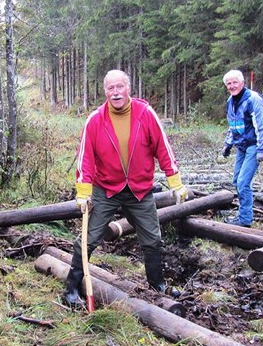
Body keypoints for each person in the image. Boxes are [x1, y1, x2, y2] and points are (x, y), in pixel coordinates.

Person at [63, 69, 188, 307]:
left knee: (152, 239)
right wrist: (83, 192)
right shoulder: (95, 120)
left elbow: (164, 148)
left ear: (128, 88)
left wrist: (176, 183)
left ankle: (157, 286)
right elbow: (85, 159)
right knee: (88, 240)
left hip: (139, 191)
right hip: (106, 189)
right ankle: (71, 289)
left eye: (119, 87)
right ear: (105, 91)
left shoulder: (145, 114)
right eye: (110, 88)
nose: (115, 92)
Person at [221, 69, 263, 227]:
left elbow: (262, 125)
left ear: (242, 83)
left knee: (243, 182)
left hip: (253, 146)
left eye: (235, 82)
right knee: (237, 180)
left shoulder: (252, 99)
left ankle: (245, 220)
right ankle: (243, 214)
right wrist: (228, 144)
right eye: (229, 83)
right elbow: (233, 125)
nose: (232, 86)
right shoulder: (230, 101)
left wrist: (262, 149)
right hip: (241, 146)